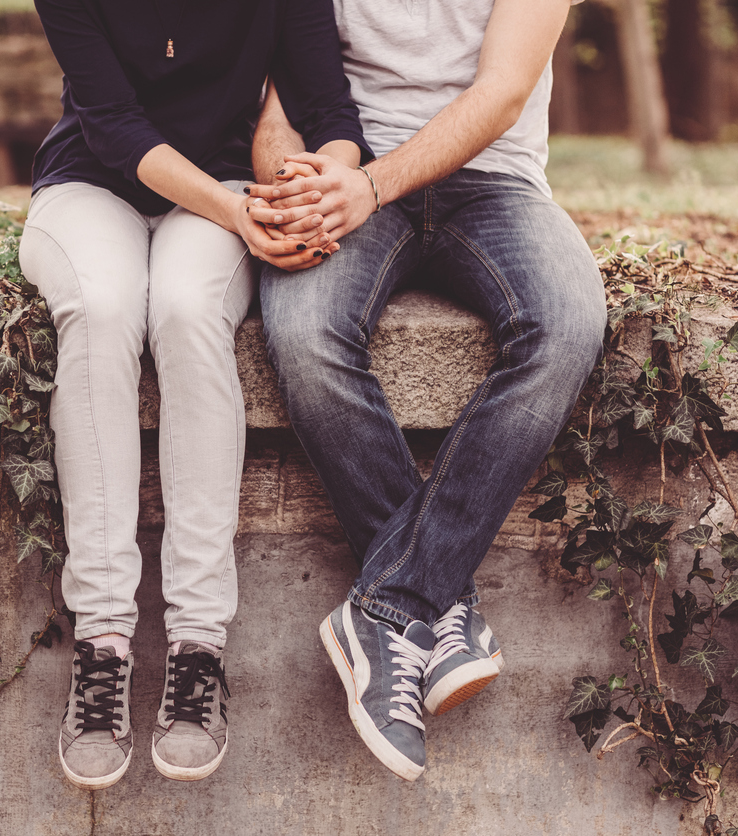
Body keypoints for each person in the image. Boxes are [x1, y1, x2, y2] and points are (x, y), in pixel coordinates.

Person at [246, 0, 607, 781]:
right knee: (306, 335)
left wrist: (372, 186)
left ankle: (388, 607)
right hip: (348, 172)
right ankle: (440, 601)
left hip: (494, 181)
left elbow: (502, 93)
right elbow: (279, 91)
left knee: (568, 324)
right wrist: (291, 184)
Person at [20, 0, 368, 789]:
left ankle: (199, 646)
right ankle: (103, 643)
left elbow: (330, 109)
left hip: (225, 189)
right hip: (90, 187)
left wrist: (325, 179)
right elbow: (113, 126)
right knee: (104, 309)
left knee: (184, 311)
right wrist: (241, 215)